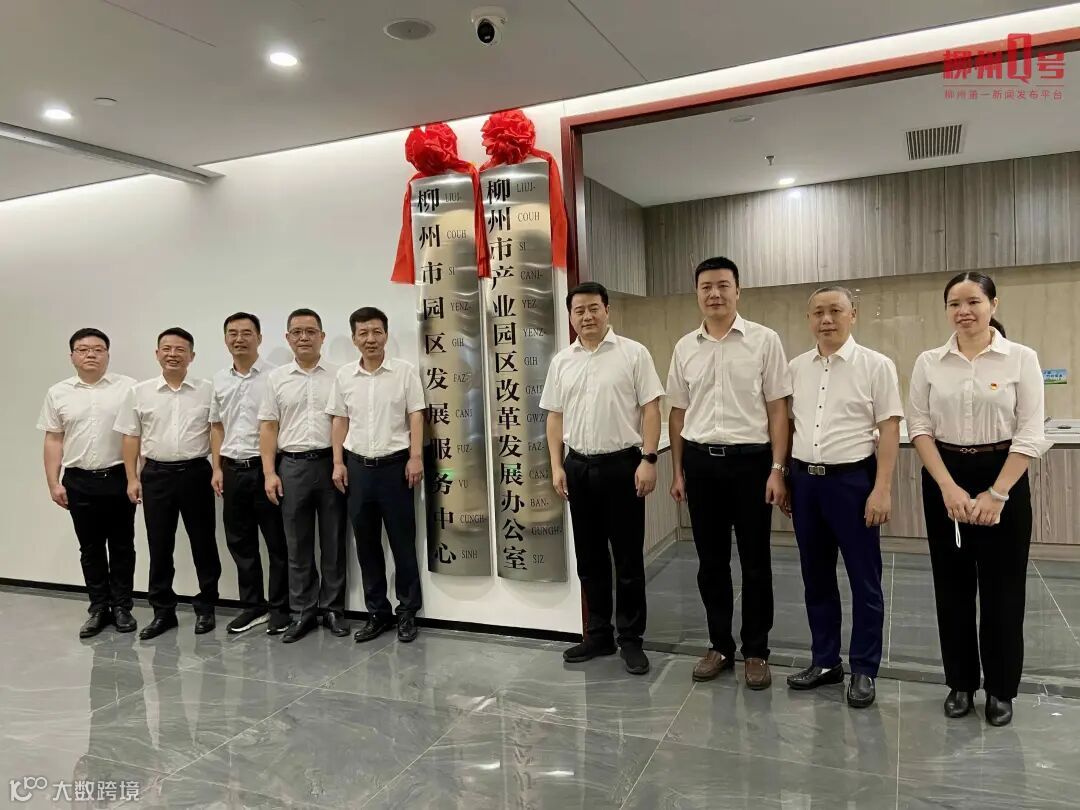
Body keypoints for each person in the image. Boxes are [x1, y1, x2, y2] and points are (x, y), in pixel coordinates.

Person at [908, 271, 1048, 728]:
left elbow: (1030, 432)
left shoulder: (1021, 358)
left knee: (1003, 590)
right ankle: (961, 683)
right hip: (945, 475)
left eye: (973, 301)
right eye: (954, 303)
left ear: (993, 304)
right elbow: (919, 428)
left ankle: (1001, 689)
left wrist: (997, 493)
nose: (963, 311)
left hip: (1003, 473)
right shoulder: (929, 362)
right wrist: (948, 487)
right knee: (952, 588)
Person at [667, 256, 791, 689]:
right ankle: (719, 645)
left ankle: (756, 651)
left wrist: (777, 469)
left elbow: (778, 410)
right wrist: (678, 471)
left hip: (752, 464)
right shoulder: (685, 347)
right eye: (706, 286)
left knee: (756, 562)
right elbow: (678, 413)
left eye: (723, 285)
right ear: (697, 293)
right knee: (711, 563)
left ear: (738, 290)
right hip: (701, 464)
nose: (714, 294)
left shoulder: (764, 340)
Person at [783, 286, 903, 708]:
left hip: (853, 483)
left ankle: (864, 669)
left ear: (854, 314)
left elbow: (890, 428)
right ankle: (825, 661)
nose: (826, 319)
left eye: (835, 310)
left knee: (864, 580)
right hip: (806, 483)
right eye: (818, 312)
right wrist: (785, 476)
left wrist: (882, 488)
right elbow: (788, 425)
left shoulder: (876, 365)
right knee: (815, 577)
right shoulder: (796, 367)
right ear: (808, 319)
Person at [541, 282, 664, 675]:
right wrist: (557, 465)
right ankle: (598, 634)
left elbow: (651, 409)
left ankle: (631, 639)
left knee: (627, 559)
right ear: (571, 316)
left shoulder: (633, 353)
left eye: (593, 308)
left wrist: (648, 459)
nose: (587, 316)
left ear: (607, 310)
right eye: (579, 311)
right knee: (590, 558)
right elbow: (555, 416)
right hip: (578, 467)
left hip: (622, 466)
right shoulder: (562, 361)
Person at [115, 327, 221, 640]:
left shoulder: (207, 390)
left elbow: (216, 431)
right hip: (156, 475)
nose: (173, 354)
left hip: (196, 473)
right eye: (167, 349)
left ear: (192, 356)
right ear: (157, 353)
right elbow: (131, 437)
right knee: (160, 544)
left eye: (180, 349)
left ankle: (207, 606)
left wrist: (217, 468)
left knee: (203, 542)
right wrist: (132, 478)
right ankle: (163, 611)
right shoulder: (139, 392)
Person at [328, 307, 426, 644]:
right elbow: (339, 420)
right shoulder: (344, 376)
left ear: (385, 334)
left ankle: (407, 612)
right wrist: (338, 462)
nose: (370, 339)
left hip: (395, 468)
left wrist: (415, 457)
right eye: (363, 333)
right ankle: (377, 613)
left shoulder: (404, 372)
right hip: (357, 469)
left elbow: (416, 415)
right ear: (354, 338)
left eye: (376, 332)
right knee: (367, 545)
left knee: (402, 543)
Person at [38, 328, 137, 638]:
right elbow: (53, 439)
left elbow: (137, 435)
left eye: (98, 349)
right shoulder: (58, 392)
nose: (90, 354)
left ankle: (122, 607)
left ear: (107, 354)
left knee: (122, 545)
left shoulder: (128, 388)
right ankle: (98, 608)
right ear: (72, 356)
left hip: (118, 477)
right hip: (78, 480)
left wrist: (136, 477)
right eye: (83, 349)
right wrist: (53, 483)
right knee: (90, 548)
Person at [259, 309, 348, 643]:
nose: (304, 337)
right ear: (288, 338)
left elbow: (344, 421)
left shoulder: (340, 375)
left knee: (334, 541)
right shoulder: (276, 379)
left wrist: (339, 462)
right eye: (297, 332)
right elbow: (268, 427)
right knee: (296, 543)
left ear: (322, 336)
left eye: (311, 331)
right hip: (292, 466)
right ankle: (302, 612)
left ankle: (333, 609)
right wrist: (269, 472)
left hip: (330, 464)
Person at [210, 312, 289, 635]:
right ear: (225, 339)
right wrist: (217, 467)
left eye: (246, 333)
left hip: (266, 469)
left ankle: (280, 608)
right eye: (233, 333)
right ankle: (253, 606)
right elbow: (217, 426)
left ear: (259, 338)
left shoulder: (275, 377)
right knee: (240, 541)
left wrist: (270, 471)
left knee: (277, 542)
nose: (239, 338)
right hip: (232, 469)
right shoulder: (219, 379)